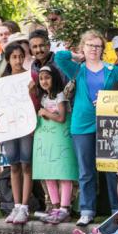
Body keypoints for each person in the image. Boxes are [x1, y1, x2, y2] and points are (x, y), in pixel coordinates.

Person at [56, 30, 118, 226]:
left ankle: (116, 209)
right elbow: (59, 57)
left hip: (108, 124)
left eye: (97, 46)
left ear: (103, 48)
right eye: (89, 45)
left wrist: (106, 99)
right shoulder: (78, 70)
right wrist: (76, 56)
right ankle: (87, 210)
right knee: (86, 170)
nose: (94, 49)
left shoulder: (113, 70)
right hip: (82, 125)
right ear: (83, 47)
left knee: (112, 169)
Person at [35, 65, 78, 224]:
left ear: (54, 78)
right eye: (41, 78)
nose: (44, 81)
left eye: (47, 77)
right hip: (48, 141)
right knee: (49, 175)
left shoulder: (60, 96)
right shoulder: (44, 98)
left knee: (63, 174)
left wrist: (45, 113)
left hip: (61, 140)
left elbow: (61, 118)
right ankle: (55, 206)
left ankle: (65, 208)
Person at [1, 42, 35, 225]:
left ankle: (24, 206)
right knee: (13, 165)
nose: (18, 60)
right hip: (9, 127)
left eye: (21, 56)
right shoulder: (3, 80)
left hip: (26, 126)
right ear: (8, 59)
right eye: (14, 57)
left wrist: (32, 91)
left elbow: (36, 101)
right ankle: (16, 205)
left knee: (26, 164)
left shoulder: (29, 77)